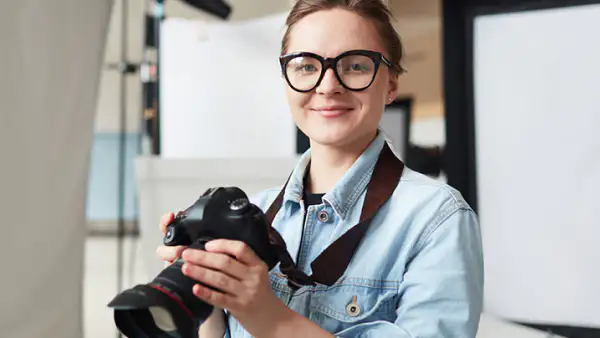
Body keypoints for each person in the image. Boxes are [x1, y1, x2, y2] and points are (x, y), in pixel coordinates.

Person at [156, 0, 484, 337]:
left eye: (355, 66)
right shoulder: (254, 212)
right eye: (306, 66)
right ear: (285, 79)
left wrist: (270, 319)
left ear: (391, 84)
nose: (328, 85)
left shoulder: (436, 220)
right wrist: (202, 290)